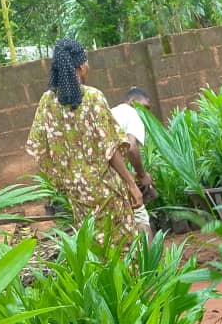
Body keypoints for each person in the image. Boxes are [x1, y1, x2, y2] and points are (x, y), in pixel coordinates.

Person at [26, 38, 143, 238]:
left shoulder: (47, 102)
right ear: (80, 67)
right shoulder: (92, 98)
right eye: (86, 62)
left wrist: (64, 180)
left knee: (96, 249)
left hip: (77, 195)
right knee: (124, 247)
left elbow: (38, 150)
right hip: (107, 192)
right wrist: (131, 184)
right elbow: (111, 148)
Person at [111, 86, 155, 237]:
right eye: (145, 107)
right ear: (132, 102)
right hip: (111, 179)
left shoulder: (113, 113)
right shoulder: (132, 113)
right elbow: (131, 148)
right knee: (141, 217)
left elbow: (111, 156)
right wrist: (142, 175)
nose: (146, 113)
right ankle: (151, 261)